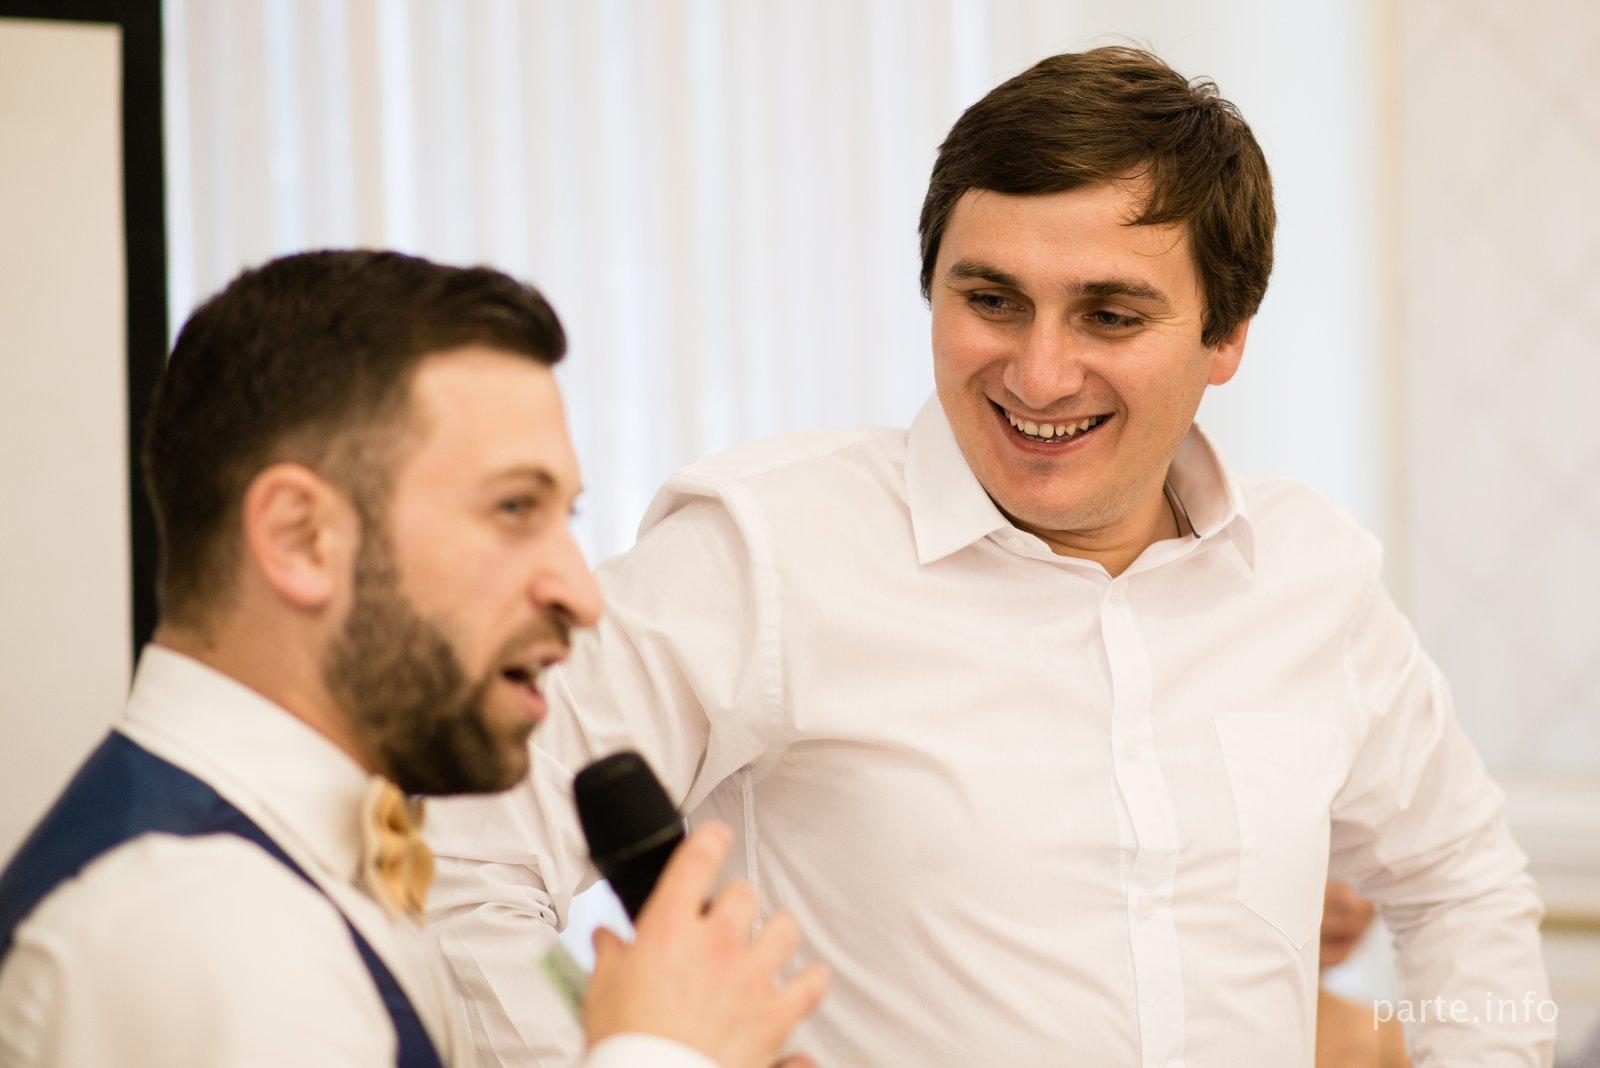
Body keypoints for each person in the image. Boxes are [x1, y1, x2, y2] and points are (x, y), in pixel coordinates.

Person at [424, 47, 1554, 1066]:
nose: (1039, 373)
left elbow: (1461, 884)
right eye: (993, 300)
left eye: (1111, 315)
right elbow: (467, 866)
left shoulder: (1312, 573)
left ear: (1226, 336)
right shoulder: (761, 549)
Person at [0, 251, 827, 1067]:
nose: (583, 594)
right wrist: (658, 1054)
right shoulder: (203, 923)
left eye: (565, 518)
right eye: (514, 508)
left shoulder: (287, 864)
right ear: (300, 537)